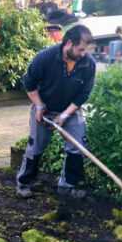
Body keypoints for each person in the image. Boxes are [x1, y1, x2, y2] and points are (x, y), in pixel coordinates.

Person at [16, 24, 96, 199]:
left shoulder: (88, 64)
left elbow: (84, 94)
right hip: (44, 108)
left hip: (71, 110)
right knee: (36, 145)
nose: (84, 54)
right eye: (81, 49)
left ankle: (67, 186)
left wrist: (66, 114)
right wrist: (39, 106)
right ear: (68, 43)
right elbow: (29, 83)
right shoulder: (45, 58)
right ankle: (24, 183)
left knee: (77, 146)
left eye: (86, 50)